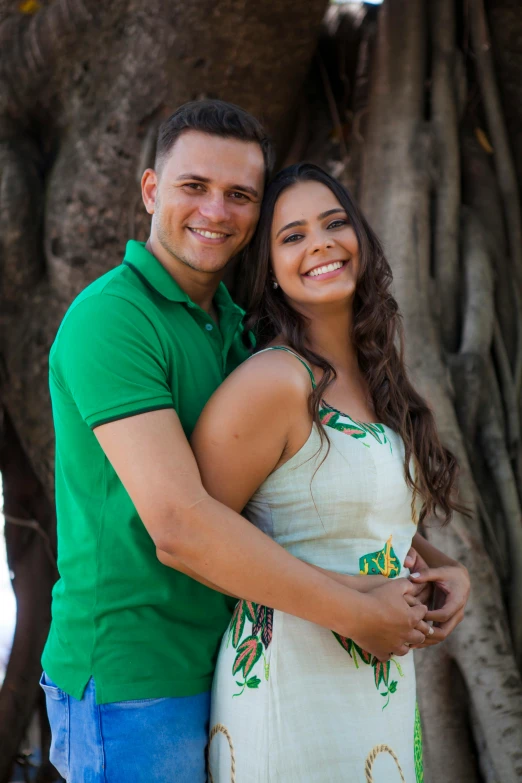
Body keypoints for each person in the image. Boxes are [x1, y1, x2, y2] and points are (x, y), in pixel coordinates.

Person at [40, 100, 467, 783]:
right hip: (135, 678)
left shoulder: (236, 330)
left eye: (240, 194)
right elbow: (181, 527)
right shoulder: (111, 319)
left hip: (227, 655)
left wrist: (429, 563)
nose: (217, 209)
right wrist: (359, 611)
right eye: (194, 186)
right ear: (151, 190)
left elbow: (304, 496)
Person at [182, 163, 471, 782]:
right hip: (289, 688)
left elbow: (359, 519)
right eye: (292, 236)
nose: (320, 243)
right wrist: (359, 602)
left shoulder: (376, 381)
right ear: (271, 273)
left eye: (334, 223)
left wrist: (447, 571)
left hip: (379, 677)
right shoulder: (273, 382)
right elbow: (200, 540)